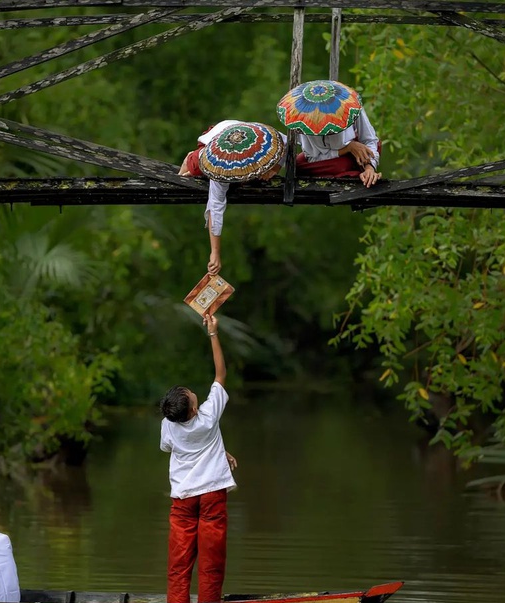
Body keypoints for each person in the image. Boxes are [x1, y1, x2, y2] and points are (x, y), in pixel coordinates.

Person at [159, 313, 238, 603]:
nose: (194, 393)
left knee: (179, 565)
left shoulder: (169, 423)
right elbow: (220, 375)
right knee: (211, 563)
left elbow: (171, 448)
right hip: (212, 495)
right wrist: (213, 334)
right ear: (193, 409)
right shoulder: (208, 415)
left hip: (183, 499)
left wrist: (219, 451)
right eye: (193, 395)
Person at [179, 120, 284, 276]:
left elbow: (287, 142)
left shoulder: (267, 142)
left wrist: (276, 167)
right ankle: (189, 161)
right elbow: (215, 208)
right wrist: (214, 253)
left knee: (260, 177)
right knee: (192, 169)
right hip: (214, 139)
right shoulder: (219, 167)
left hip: (245, 131)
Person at [296, 106, 382, 188]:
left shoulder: (351, 104)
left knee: (375, 146)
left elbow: (370, 140)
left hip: (356, 153)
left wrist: (369, 168)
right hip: (327, 162)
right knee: (299, 163)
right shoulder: (304, 118)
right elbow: (313, 158)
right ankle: (352, 171)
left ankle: (359, 169)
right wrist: (348, 148)